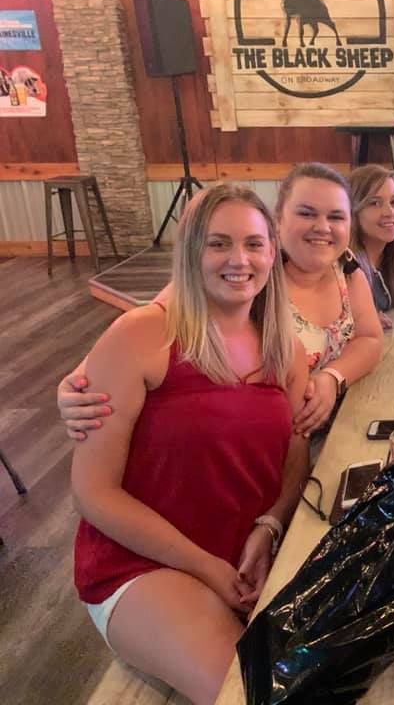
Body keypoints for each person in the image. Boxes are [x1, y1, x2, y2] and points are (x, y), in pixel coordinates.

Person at [71, 184, 309, 704]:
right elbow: (94, 492)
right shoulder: (143, 336)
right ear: (190, 252)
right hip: (144, 564)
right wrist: (206, 567)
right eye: (218, 243)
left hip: (247, 555)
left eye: (253, 243)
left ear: (273, 253)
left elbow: (294, 448)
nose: (239, 260)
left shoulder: (284, 348)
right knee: (252, 693)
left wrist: (270, 525)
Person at [57, 163, 385, 440]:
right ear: (278, 220)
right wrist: (76, 384)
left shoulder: (346, 267)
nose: (322, 227)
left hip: (325, 432)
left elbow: (369, 338)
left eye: (336, 216)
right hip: (253, 442)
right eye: (307, 213)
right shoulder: (246, 274)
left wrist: (332, 378)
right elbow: (149, 320)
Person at [347, 164, 394, 331]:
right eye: (375, 203)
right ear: (353, 211)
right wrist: (359, 321)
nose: (389, 212)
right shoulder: (344, 265)